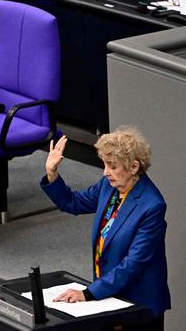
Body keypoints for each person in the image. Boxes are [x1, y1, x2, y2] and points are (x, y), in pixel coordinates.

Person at [42, 128, 170, 329]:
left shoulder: (152, 206)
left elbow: (133, 263)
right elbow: (73, 202)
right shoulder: (108, 186)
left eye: (112, 166)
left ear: (134, 166)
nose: (105, 172)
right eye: (104, 164)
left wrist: (89, 293)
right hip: (110, 294)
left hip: (138, 305)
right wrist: (52, 173)